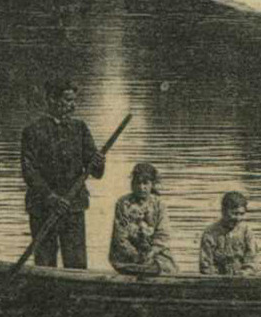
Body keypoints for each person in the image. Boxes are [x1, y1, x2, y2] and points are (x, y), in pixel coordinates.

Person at [20, 79, 105, 269]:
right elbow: (29, 171)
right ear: (51, 100)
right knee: (44, 264)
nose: (73, 105)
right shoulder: (33, 131)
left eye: (73, 100)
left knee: (76, 264)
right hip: (42, 207)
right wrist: (50, 197)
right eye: (67, 100)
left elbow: (96, 172)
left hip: (73, 207)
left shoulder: (80, 129)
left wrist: (99, 162)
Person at [109, 162, 176, 275]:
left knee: (163, 267)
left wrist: (151, 253)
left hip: (154, 255)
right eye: (137, 183)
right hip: (127, 257)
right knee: (131, 267)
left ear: (152, 185)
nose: (141, 187)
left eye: (145, 183)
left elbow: (163, 235)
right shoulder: (123, 203)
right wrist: (136, 256)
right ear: (132, 184)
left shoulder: (159, 204)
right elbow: (120, 236)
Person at [198, 191, 258, 276]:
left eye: (241, 214)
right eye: (234, 213)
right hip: (216, 283)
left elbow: (252, 261)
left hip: (243, 281)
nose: (238, 218)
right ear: (223, 211)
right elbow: (206, 265)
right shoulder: (210, 233)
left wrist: (244, 273)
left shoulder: (247, 233)